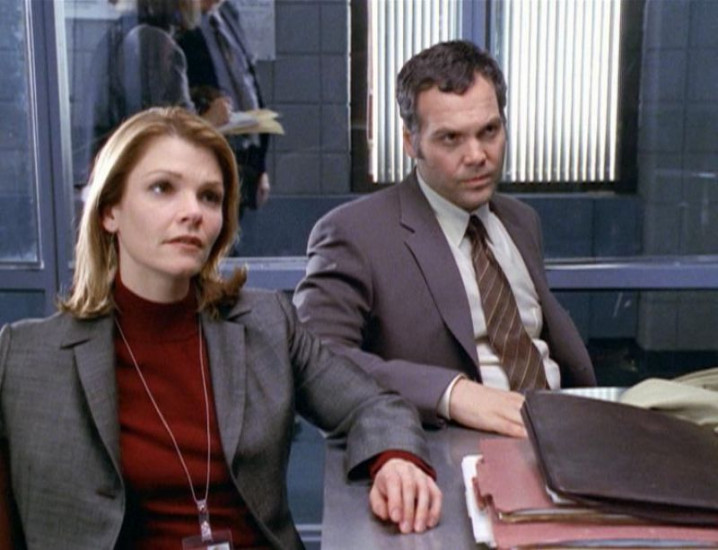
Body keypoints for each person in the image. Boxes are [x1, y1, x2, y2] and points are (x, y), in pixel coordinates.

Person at [0, 107, 441, 549]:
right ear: (109, 211)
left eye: (209, 197)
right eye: (162, 188)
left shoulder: (266, 323)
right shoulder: (23, 357)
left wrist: (395, 459)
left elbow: (371, 403)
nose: (192, 212)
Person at [293, 40, 597, 439]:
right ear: (410, 142)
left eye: (489, 131)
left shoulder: (521, 222)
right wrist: (451, 393)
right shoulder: (354, 233)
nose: (477, 155)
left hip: (565, 428)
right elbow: (314, 361)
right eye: (451, 138)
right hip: (457, 445)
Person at [80, 0, 231, 183]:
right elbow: (179, 138)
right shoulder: (157, 43)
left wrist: (195, 94)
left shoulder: (122, 31)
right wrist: (213, 119)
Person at [178, 0, 271, 219]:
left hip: (241, 158)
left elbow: (247, 80)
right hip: (202, 159)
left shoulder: (227, 14)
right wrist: (206, 120)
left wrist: (260, 165)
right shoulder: (176, 24)